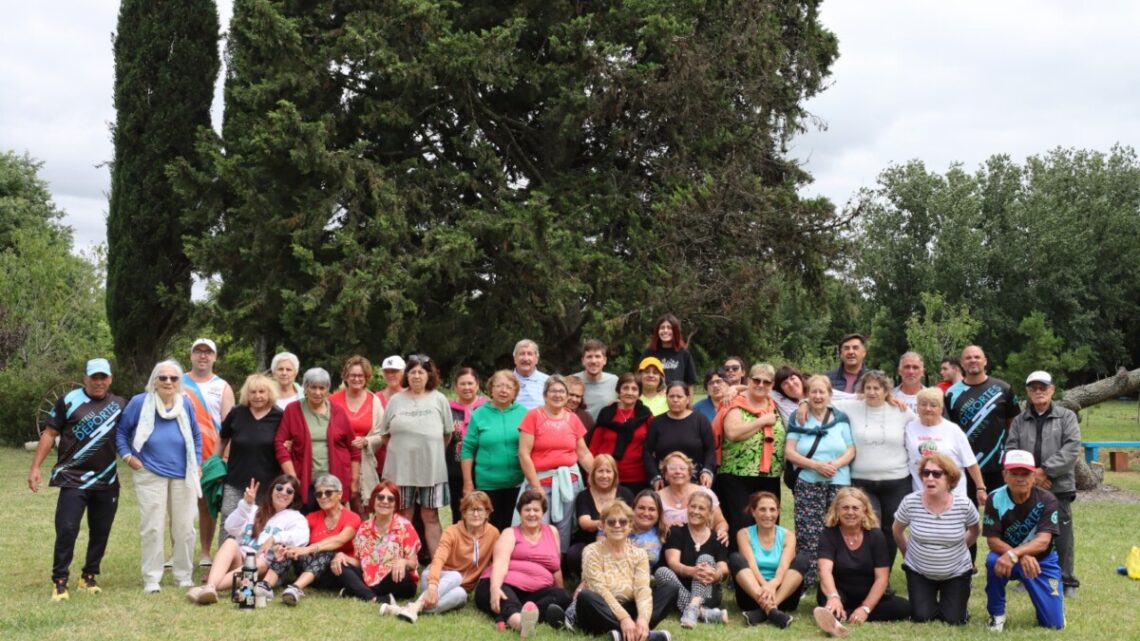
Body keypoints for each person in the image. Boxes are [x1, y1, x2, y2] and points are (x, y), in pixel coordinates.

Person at [28, 357, 126, 601]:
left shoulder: (120, 404)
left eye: (104, 377)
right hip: (73, 478)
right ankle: (60, 582)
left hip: (106, 481)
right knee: (67, 529)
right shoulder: (68, 401)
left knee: (101, 531)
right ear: (85, 378)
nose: (99, 382)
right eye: (94, 377)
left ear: (110, 379)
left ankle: (89, 577)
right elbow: (50, 433)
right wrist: (35, 468)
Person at [115, 360, 203, 593]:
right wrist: (127, 457)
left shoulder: (185, 403)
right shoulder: (139, 402)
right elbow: (122, 432)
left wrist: (197, 461)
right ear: (154, 380)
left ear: (179, 382)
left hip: (184, 473)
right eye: (162, 377)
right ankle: (152, 578)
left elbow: (195, 435)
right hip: (150, 472)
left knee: (185, 528)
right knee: (152, 527)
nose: (168, 382)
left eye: (173, 378)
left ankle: (183, 575)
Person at [550, 501, 677, 641]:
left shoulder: (640, 554)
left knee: (670, 588)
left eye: (623, 522)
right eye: (611, 522)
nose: (617, 525)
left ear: (630, 526)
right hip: (601, 610)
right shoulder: (591, 551)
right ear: (602, 526)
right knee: (586, 596)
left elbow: (642, 589)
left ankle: (630, 633)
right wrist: (624, 619)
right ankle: (643, 636)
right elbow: (599, 589)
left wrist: (643, 619)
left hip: (629, 607)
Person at [1005, 370, 1082, 598]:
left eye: (1043, 387)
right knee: (1028, 534)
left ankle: (1068, 581)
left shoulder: (1067, 416)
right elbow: (1011, 449)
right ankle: (1027, 578)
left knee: (1062, 535)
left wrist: (1045, 471)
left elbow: (1071, 449)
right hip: (1026, 486)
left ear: (1052, 390)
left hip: (1058, 486)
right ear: (1027, 392)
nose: (1038, 392)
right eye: (1033, 388)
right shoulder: (1020, 420)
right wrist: (1030, 476)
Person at [828, 369, 912, 570]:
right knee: (870, 528)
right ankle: (868, 573)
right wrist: (804, 405)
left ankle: (885, 575)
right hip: (862, 481)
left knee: (891, 530)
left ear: (886, 391)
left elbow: (923, 425)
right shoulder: (850, 407)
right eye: (868, 388)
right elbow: (820, 399)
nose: (872, 392)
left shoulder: (902, 411)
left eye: (877, 388)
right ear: (862, 390)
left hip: (897, 481)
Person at [186, 474, 309, 604]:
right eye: (279, 488)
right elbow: (230, 527)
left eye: (290, 491)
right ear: (272, 490)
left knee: (260, 563)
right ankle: (209, 588)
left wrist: (275, 538)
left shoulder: (296, 518)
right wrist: (246, 505)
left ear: (294, 497)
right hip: (240, 560)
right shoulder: (253, 510)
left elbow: (302, 538)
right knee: (230, 542)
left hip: (262, 569)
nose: (283, 493)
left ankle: (204, 588)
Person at [379, 353, 453, 556]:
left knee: (430, 515)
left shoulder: (439, 399)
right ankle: (400, 560)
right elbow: (385, 434)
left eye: (421, 372)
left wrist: (429, 449)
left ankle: (438, 563)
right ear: (406, 375)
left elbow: (447, 434)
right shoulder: (396, 400)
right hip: (400, 469)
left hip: (431, 469)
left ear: (429, 375)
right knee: (403, 514)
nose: (417, 376)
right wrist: (402, 449)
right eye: (412, 372)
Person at [982, 450, 1065, 631]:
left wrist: (1016, 553)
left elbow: (1043, 541)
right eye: (1014, 473)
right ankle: (997, 615)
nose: (1020, 479)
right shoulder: (994, 498)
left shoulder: (1048, 499)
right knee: (992, 560)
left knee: (1054, 624)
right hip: (1008, 558)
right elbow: (993, 541)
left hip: (1043, 561)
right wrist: (1018, 556)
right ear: (1005, 475)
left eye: (1025, 473)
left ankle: (1050, 606)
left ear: (1034, 475)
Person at [892, 453, 979, 625]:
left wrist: (961, 547)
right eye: (926, 473)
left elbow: (975, 531)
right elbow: (897, 530)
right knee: (922, 617)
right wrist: (907, 554)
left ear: (950, 479)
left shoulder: (964, 504)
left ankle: (956, 605)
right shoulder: (910, 502)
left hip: (956, 571)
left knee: (954, 620)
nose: (930, 478)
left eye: (937, 474)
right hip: (919, 571)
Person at [812, 488, 911, 637]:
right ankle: (836, 615)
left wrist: (865, 608)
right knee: (830, 602)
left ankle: (843, 616)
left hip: (868, 593)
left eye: (855, 508)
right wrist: (833, 596)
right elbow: (824, 570)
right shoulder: (829, 534)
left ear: (864, 510)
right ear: (837, 510)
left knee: (904, 607)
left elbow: (882, 578)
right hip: (838, 592)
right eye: (845, 507)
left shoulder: (876, 536)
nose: (850, 512)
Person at [785, 375, 855, 585]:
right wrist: (816, 465)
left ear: (830, 395)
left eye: (821, 392)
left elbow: (851, 448)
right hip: (808, 481)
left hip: (838, 481)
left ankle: (837, 577)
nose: (817, 396)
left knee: (840, 528)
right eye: (813, 392)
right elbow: (789, 452)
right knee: (809, 532)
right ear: (807, 395)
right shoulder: (799, 418)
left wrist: (836, 464)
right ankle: (807, 578)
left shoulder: (840, 418)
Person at [388, 491, 500, 621]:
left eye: (480, 510)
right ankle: (418, 605)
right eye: (471, 510)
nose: (475, 514)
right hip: (434, 578)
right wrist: (433, 585)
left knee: (461, 595)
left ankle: (408, 609)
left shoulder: (493, 534)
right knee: (456, 575)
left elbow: (497, 562)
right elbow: (438, 559)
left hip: (460, 587)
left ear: (487, 513)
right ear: (463, 513)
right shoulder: (452, 532)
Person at [475, 489, 571, 633]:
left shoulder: (552, 532)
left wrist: (561, 591)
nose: (532, 514)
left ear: (543, 512)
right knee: (504, 595)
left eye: (536, 510)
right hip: (506, 583)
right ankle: (520, 623)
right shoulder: (510, 533)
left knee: (563, 596)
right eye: (527, 510)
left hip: (536, 592)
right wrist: (495, 588)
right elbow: (500, 563)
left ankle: (510, 617)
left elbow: (556, 567)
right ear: (520, 512)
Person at [519, 375, 595, 552]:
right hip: (540, 480)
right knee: (538, 524)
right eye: (553, 391)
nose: (558, 395)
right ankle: (538, 564)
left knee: (564, 526)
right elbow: (524, 454)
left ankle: (559, 565)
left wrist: (595, 474)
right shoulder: (533, 416)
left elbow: (583, 452)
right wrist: (535, 487)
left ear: (567, 396)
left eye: (562, 391)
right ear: (545, 395)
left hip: (569, 481)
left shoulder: (573, 419)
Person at [945, 345, 1019, 511]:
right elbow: (948, 430)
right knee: (964, 518)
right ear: (962, 364)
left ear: (985, 361)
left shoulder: (1003, 389)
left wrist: (1010, 456)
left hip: (998, 465)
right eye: (968, 358)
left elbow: (1013, 425)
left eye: (977, 357)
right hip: (964, 465)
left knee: (1003, 515)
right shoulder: (951, 394)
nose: (973, 360)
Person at [275, 367, 360, 512]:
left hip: (334, 484)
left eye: (322, 388)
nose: (317, 392)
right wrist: (293, 477)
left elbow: (353, 448)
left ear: (328, 390)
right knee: (304, 525)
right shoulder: (293, 410)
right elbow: (279, 444)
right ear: (305, 388)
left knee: (332, 526)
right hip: (304, 482)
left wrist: (354, 481)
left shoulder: (338, 412)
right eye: (313, 387)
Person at [718, 363, 786, 540]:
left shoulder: (775, 403)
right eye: (756, 380)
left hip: (770, 476)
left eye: (766, 382)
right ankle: (739, 564)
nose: (761, 385)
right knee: (742, 524)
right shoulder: (735, 402)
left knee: (769, 522)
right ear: (749, 380)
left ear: (772, 385)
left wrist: (735, 387)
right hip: (737, 475)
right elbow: (732, 433)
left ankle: (767, 563)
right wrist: (762, 421)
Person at [183, 337, 234, 565]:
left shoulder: (222, 386)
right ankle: (179, 554)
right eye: (198, 351)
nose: (203, 356)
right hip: (181, 454)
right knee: (180, 507)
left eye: (208, 352)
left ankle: (205, 553)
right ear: (191, 355)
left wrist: (224, 458)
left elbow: (229, 424)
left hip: (211, 456)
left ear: (215, 357)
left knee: (207, 506)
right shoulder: (178, 381)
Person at [276, 474, 362, 606]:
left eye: (328, 493)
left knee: (329, 552)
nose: (323, 497)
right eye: (319, 494)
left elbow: (340, 540)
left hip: (336, 572)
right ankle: (265, 584)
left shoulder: (352, 517)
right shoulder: (312, 517)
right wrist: (285, 547)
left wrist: (309, 549)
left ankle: (295, 588)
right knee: (288, 547)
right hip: (310, 569)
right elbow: (296, 535)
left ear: (340, 494)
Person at [217, 374, 283, 542]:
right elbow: (223, 438)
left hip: (267, 481)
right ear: (247, 393)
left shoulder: (279, 416)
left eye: (262, 391)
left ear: (270, 393)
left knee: (260, 520)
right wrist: (215, 463)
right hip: (235, 479)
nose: (257, 396)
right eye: (253, 392)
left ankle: (252, 560)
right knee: (228, 517)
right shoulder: (237, 413)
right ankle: (225, 560)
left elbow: (287, 442)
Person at [462, 370, 528, 531]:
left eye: (508, 387)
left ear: (515, 391)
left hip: (517, 484)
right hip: (487, 485)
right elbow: (467, 449)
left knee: (513, 529)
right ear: (491, 389)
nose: (503, 390)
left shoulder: (524, 413)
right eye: (499, 386)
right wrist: (468, 483)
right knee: (489, 530)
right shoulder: (479, 414)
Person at [729, 491, 806, 628]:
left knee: (803, 559)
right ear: (753, 512)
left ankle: (764, 611)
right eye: (762, 509)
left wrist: (772, 585)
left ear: (778, 512)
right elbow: (752, 566)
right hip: (752, 594)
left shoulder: (788, 536)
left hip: (784, 595)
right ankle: (773, 611)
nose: (768, 514)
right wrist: (765, 586)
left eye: (772, 509)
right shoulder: (743, 534)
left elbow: (783, 567)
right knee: (735, 558)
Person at [653, 491, 730, 628]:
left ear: (710, 513)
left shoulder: (718, 537)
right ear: (687, 508)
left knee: (705, 559)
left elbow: (723, 568)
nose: (695, 511)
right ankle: (702, 612)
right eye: (693, 506)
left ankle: (694, 606)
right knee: (661, 571)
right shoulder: (676, 531)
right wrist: (692, 571)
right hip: (679, 589)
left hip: (708, 592)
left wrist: (716, 574)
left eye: (701, 508)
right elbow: (673, 563)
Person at [336, 481, 421, 602]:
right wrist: (343, 557)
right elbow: (362, 563)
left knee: (402, 576)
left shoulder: (405, 526)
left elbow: (413, 564)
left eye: (390, 499)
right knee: (341, 565)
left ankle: (357, 591)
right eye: (380, 497)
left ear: (396, 505)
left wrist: (403, 562)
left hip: (395, 580)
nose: (385, 501)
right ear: (373, 501)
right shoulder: (364, 527)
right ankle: (375, 598)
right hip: (369, 579)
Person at [905, 388, 986, 502]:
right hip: (921, 496)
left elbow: (970, 462)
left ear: (941, 409)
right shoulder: (909, 427)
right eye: (923, 404)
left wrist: (980, 488)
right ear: (917, 407)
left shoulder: (953, 430)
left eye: (933, 405)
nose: (928, 409)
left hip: (953, 495)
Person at [329, 355, 385, 516]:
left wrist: (367, 441)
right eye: (352, 375)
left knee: (361, 508)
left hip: (364, 462)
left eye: (360, 375)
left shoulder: (374, 401)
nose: (356, 379)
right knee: (335, 505)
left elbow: (382, 433)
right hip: (338, 460)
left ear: (366, 377)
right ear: (346, 376)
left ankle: (362, 539)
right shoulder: (333, 400)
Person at [567, 454, 635, 575]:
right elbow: (585, 523)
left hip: (619, 541)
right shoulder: (584, 495)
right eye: (600, 471)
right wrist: (611, 522)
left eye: (608, 471)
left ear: (614, 474)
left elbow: (632, 521)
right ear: (593, 474)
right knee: (573, 554)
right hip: (588, 542)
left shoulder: (625, 493)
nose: (605, 476)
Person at [644, 382, 716, 489]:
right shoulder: (656, 423)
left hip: (696, 481)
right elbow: (647, 452)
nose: (675, 400)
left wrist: (707, 471)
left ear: (687, 398)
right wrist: (655, 476)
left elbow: (710, 449)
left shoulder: (700, 420)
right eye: (671, 396)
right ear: (666, 398)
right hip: (664, 482)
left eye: (679, 396)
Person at [591, 373, 654, 494]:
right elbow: (594, 447)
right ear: (618, 390)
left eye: (634, 389)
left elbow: (653, 447)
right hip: (606, 477)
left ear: (639, 393)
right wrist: (591, 476)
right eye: (625, 388)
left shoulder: (646, 415)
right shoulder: (607, 413)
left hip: (638, 478)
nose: (629, 392)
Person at [654, 452, 729, 540]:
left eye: (682, 468)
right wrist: (667, 529)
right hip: (668, 545)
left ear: (689, 473)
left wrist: (722, 531)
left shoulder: (705, 492)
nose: (678, 471)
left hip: (702, 544)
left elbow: (720, 522)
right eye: (672, 468)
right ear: (665, 474)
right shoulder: (656, 497)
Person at [448, 367, 487, 523]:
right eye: (462, 384)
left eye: (470, 383)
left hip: (482, 470)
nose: (466, 387)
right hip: (455, 471)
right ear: (456, 387)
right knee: (459, 512)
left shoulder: (487, 408)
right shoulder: (448, 409)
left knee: (482, 512)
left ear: (477, 385)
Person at [642, 313, 698, 386]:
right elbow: (640, 378)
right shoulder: (649, 353)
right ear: (657, 331)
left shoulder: (684, 354)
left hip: (676, 396)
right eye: (662, 328)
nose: (665, 331)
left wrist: (689, 397)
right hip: (654, 396)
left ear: (675, 331)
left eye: (669, 328)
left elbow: (690, 383)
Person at [575, 339, 618, 420]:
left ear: (604, 360)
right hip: (577, 431)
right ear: (583, 361)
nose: (593, 361)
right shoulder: (571, 381)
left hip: (604, 430)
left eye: (597, 356)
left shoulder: (614, 381)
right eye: (589, 357)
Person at [627, 490, 669, 570]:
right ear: (633, 510)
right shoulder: (619, 530)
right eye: (641, 508)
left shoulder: (665, 533)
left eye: (652, 509)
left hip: (651, 580)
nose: (646, 513)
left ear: (659, 513)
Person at [513, 339, 549, 410]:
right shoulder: (506, 381)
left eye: (529, 354)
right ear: (515, 359)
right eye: (522, 354)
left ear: (536, 359)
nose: (525, 358)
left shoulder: (548, 381)